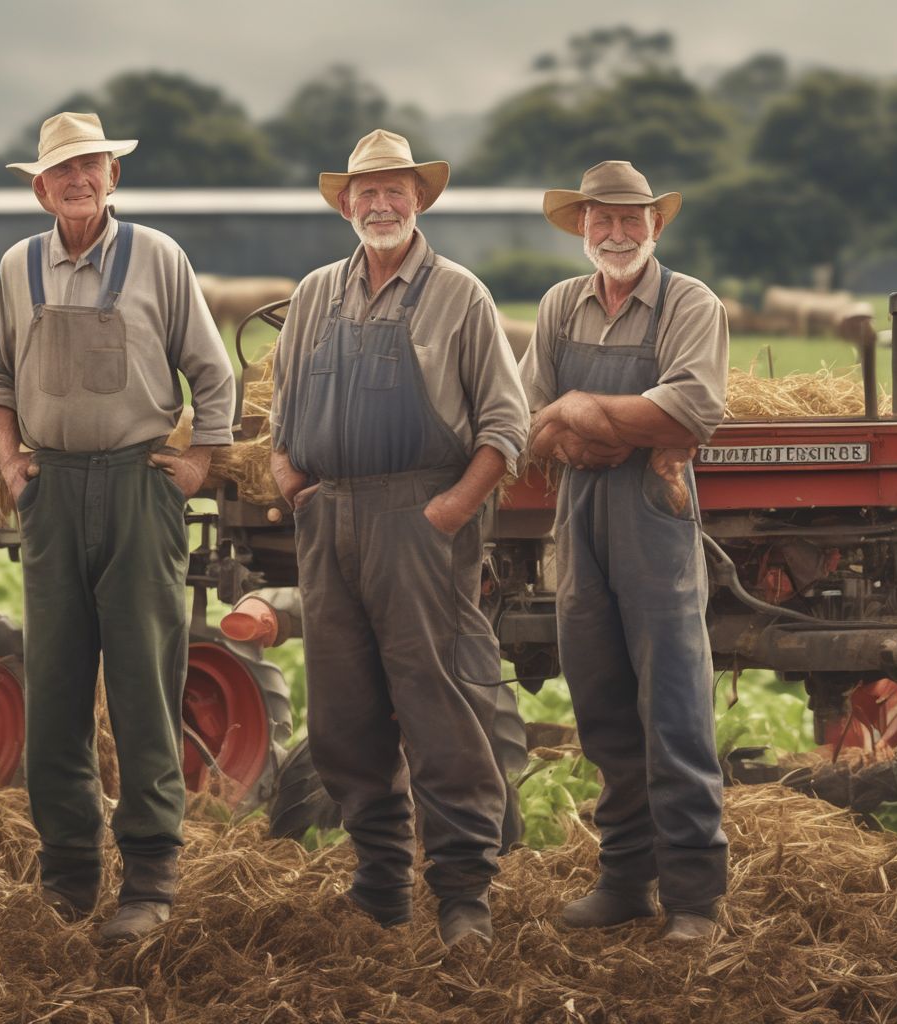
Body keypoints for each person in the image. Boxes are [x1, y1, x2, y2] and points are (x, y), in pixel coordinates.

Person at [0, 111, 237, 944]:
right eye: (61, 171)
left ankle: (151, 873)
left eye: (90, 166)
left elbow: (212, 371)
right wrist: (11, 459)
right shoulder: (19, 266)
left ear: (112, 178)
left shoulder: (157, 256)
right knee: (51, 686)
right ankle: (68, 871)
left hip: (135, 486)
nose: (77, 180)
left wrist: (200, 464)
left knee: (142, 682)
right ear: (40, 187)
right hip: (52, 491)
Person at [267, 129, 529, 948]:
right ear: (346, 203)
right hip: (330, 519)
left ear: (419, 200)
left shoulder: (459, 295)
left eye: (396, 191)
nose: (380, 205)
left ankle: (462, 897)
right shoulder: (315, 293)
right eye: (366, 192)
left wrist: (447, 513)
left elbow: (505, 426)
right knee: (344, 712)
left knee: (439, 704)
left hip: (419, 520)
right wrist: (297, 487)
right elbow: (281, 414)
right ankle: (379, 883)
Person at [521, 161, 730, 942]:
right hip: (579, 516)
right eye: (601, 219)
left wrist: (579, 408)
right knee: (602, 701)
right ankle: (624, 879)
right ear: (582, 226)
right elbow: (527, 417)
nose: (616, 232)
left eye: (631, 219)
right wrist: (586, 431)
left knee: (673, 706)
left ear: (656, 225)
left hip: (655, 515)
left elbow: (692, 411)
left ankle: (695, 897)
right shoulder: (558, 306)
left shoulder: (689, 303)